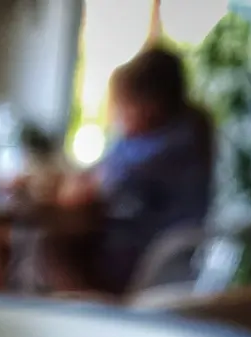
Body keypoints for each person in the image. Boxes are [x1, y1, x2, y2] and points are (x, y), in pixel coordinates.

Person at [53, 46, 214, 295]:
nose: (119, 117)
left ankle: (92, 309)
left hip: (155, 257)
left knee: (54, 242)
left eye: (123, 107)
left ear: (150, 104)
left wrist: (81, 184)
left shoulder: (176, 144)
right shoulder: (144, 139)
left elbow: (107, 183)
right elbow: (100, 170)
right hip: (140, 246)